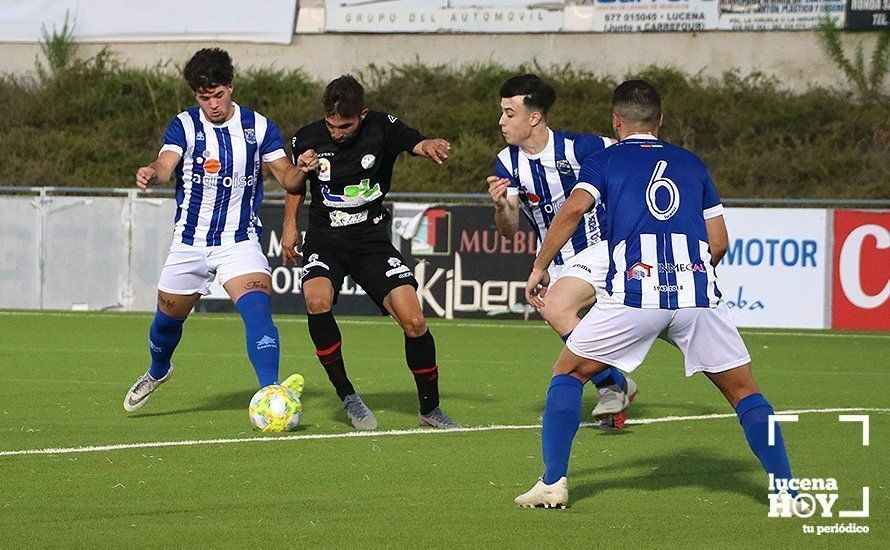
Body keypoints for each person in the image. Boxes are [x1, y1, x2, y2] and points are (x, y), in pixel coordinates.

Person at [516, 80, 797, 509]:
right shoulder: (691, 163)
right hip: (697, 296)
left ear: (616, 120)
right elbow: (718, 242)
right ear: (660, 121)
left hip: (634, 295)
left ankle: (553, 483)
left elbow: (573, 209)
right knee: (745, 393)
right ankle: (787, 490)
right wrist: (687, 284)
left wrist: (540, 267)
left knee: (568, 375)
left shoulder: (604, 161)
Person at [123, 48, 305, 412]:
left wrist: (303, 169)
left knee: (258, 311)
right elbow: (165, 163)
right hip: (188, 243)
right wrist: (151, 173)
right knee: (164, 325)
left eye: (218, 95)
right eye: (205, 98)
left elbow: (287, 177)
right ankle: (158, 370)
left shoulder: (259, 127)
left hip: (239, 241)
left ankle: (272, 393)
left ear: (231, 87)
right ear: (196, 96)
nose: (213, 105)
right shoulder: (185, 125)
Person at [281, 75, 459, 430]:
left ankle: (430, 408)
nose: (336, 133)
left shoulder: (382, 126)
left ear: (361, 115)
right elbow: (291, 185)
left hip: (370, 239)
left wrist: (429, 146)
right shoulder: (308, 136)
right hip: (325, 237)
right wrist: (292, 215)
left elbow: (414, 142)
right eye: (331, 125)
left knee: (414, 320)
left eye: (344, 126)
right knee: (316, 300)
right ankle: (348, 395)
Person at [488, 74, 637, 429]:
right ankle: (614, 384)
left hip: (602, 249)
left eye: (509, 113)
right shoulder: (506, 163)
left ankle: (612, 386)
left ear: (534, 117)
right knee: (559, 315)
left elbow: (631, 151)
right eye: (501, 113)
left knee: (561, 311)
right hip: (557, 260)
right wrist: (500, 208)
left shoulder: (579, 147)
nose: (501, 121)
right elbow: (508, 229)